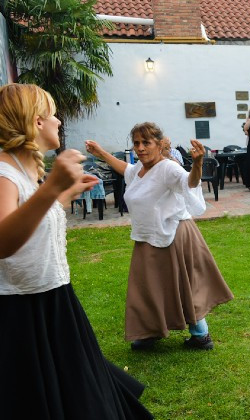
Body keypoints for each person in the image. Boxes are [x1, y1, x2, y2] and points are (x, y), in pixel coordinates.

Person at [0, 83, 153, 418]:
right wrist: (53, 187)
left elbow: (33, 221)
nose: (58, 122)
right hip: (25, 312)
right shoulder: (3, 173)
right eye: (53, 115)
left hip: (56, 299)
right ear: (36, 121)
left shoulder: (23, 170)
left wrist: (62, 196)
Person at [85, 123, 234, 351]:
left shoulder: (168, 169)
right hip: (148, 236)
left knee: (183, 285)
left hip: (173, 234)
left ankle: (200, 335)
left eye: (146, 143)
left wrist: (198, 163)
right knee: (149, 287)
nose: (141, 148)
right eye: (136, 143)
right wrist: (100, 153)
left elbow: (189, 183)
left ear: (158, 144)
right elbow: (125, 168)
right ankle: (149, 332)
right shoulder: (139, 170)